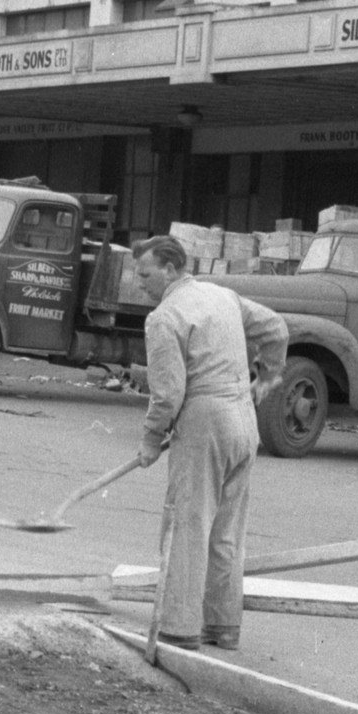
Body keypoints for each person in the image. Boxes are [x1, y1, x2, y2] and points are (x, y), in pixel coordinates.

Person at [132, 235, 289, 650]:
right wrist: (267, 377)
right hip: (243, 421)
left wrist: (151, 439)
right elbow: (276, 328)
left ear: (170, 269)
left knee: (188, 525)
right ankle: (222, 627)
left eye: (145, 274)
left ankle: (180, 630)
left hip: (206, 425)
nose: (138, 283)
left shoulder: (164, 317)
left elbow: (167, 394)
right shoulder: (223, 296)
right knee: (226, 532)